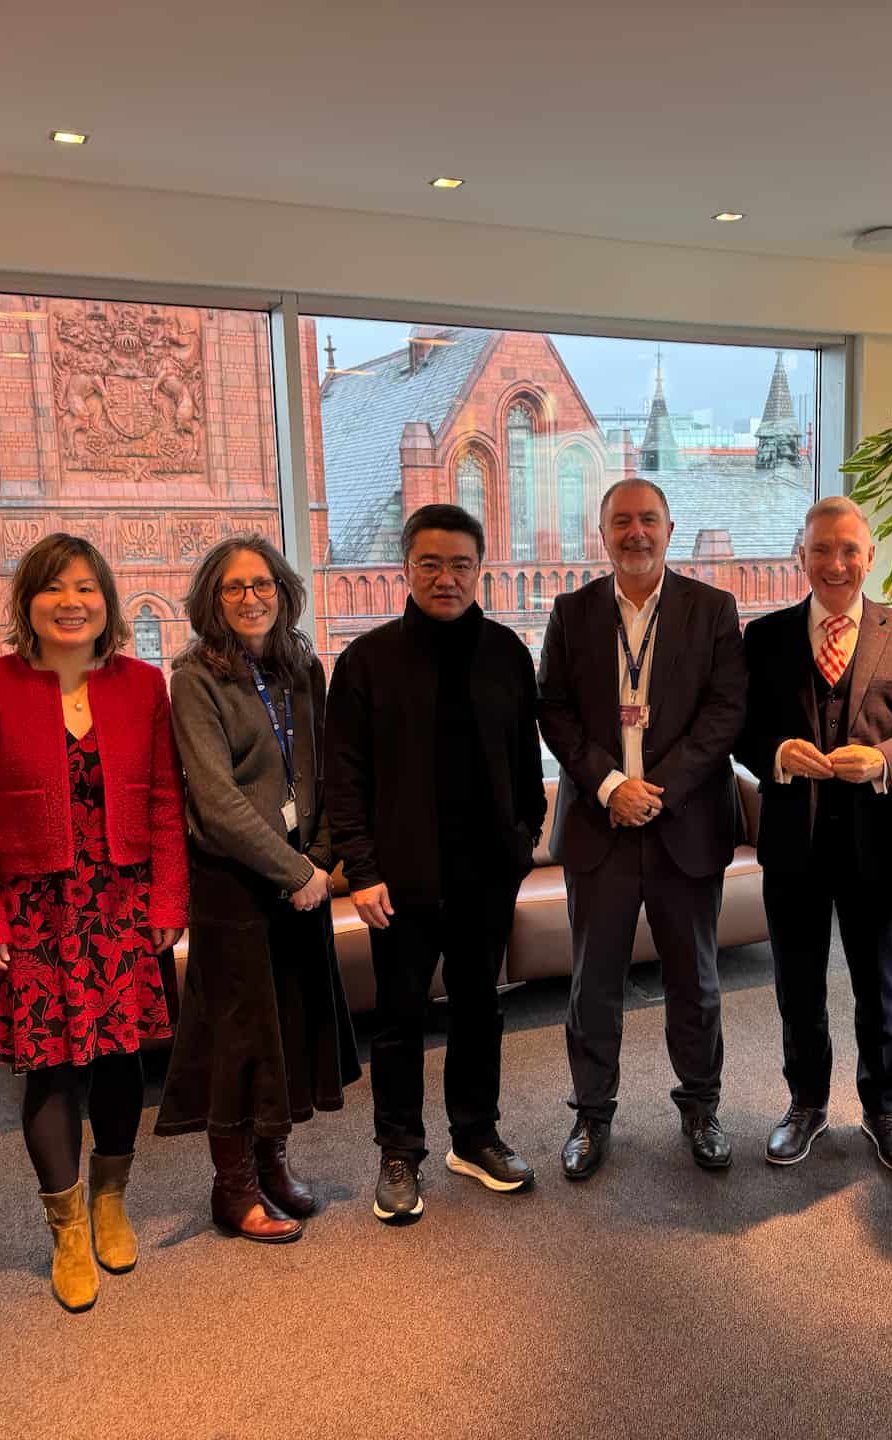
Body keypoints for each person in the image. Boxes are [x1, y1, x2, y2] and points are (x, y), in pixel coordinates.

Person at [0, 533, 187, 1312]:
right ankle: (67, 1228)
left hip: (122, 903)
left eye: (86, 587)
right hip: (33, 913)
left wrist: (169, 902)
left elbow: (165, 804)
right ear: (29, 603)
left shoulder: (143, 685)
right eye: (53, 588)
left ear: (107, 601)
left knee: (121, 1062)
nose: (71, 601)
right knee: (49, 1069)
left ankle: (111, 1200)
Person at [325, 504, 546, 1225]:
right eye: (431, 564)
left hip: (487, 876)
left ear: (479, 570)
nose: (446, 578)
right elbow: (344, 778)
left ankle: (475, 1136)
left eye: (460, 565)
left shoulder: (509, 654)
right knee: (399, 1018)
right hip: (400, 881)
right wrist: (361, 869)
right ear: (406, 568)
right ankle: (399, 1152)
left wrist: (521, 843)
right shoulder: (366, 661)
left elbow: (524, 761)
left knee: (482, 1008)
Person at [538, 478, 747, 1179]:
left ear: (670, 528)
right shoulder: (571, 613)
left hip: (684, 823)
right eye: (622, 521)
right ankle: (592, 1117)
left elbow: (725, 711)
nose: (636, 532)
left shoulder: (712, 609)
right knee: (592, 985)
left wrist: (657, 790)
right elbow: (555, 713)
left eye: (648, 520)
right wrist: (610, 787)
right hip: (602, 828)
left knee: (697, 983)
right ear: (602, 533)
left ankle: (701, 1108)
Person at [154, 535, 360, 1244]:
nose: (251, 598)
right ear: (213, 597)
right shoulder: (194, 679)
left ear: (283, 590)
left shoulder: (301, 665)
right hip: (235, 886)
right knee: (239, 1036)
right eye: (235, 587)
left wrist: (324, 855)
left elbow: (325, 767)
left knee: (288, 1026)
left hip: (302, 874)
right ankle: (231, 1185)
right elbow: (216, 801)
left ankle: (274, 1163)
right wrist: (298, 872)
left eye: (262, 584)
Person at [737, 496, 892, 1171]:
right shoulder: (763, 636)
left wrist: (883, 760)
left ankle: (884, 1109)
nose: (835, 563)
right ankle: (807, 1105)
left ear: (869, 558)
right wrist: (774, 753)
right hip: (792, 842)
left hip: (873, 842)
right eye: (821, 549)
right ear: (801, 557)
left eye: (849, 549)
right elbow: (739, 728)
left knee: (878, 984)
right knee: (797, 984)